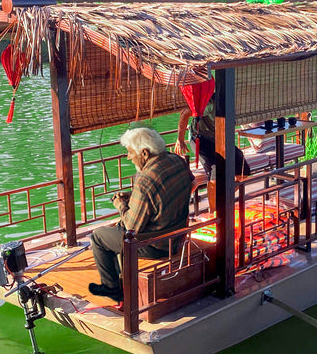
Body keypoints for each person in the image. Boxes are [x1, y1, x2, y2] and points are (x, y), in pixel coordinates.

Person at [88, 126, 193, 302]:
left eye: (130, 152)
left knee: (98, 236)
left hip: (156, 246)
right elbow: (168, 190)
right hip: (177, 237)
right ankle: (118, 281)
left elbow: (132, 227)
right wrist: (133, 195)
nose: (128, 157)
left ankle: (112, 288)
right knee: (114, 232)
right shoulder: (177, 160)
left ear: (144, 153)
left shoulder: (145, 180)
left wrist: (121, 205)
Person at [174, 101, 251, 215]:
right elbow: (185, 112)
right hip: (201, 138)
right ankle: (213, 212)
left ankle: (220, 197)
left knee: (243, 171)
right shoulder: (212, 105)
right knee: (215, 173)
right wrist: (180, 140)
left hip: (219, 137)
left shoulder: (239, 103)